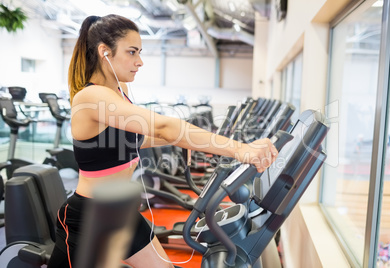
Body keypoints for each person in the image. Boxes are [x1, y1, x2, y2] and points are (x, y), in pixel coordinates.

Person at [47, 14, 278, 268]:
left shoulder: (118, 95)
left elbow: (137, 139)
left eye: (140, 52)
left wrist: (186, 141)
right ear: (105, 52)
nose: (140, 61)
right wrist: (241, 150)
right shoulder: (90, 97)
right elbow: (165, 126)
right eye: (132, 52)